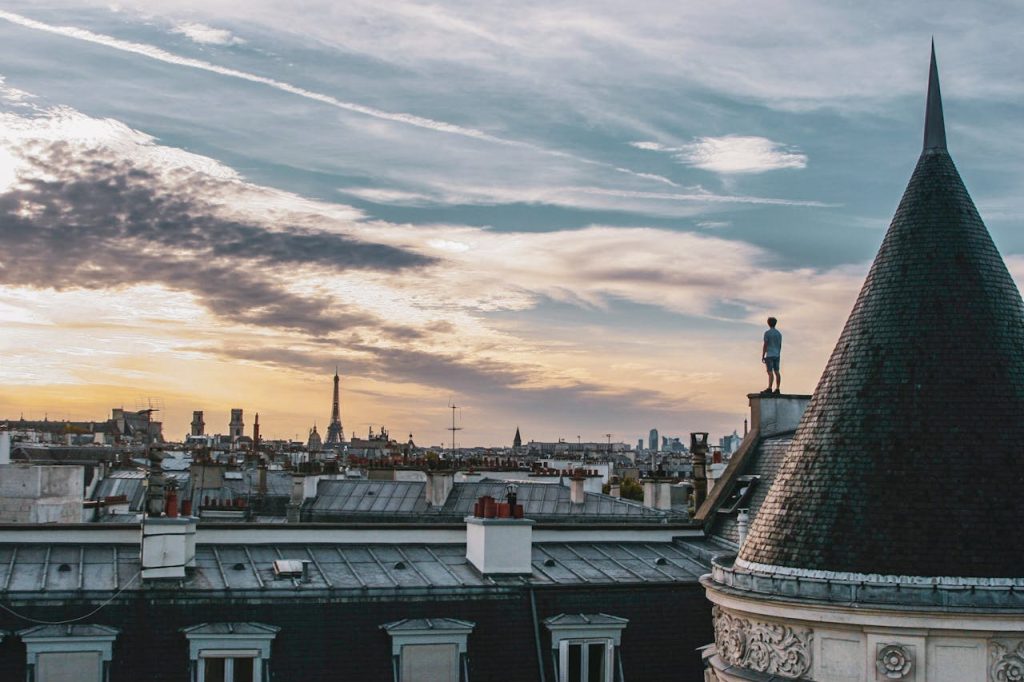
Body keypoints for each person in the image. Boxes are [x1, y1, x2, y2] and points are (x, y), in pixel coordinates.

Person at [762, 317, 782, 395]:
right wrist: (778, 353)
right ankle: (777, 388)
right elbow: (780, 345)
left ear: (768, 323)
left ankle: (770, 388)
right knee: (777, 371)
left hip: (770, 354)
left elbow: (765, 345)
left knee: (770, 372)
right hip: (777, 354)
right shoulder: (779, 334)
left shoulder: (767, 333)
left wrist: (763, 355)